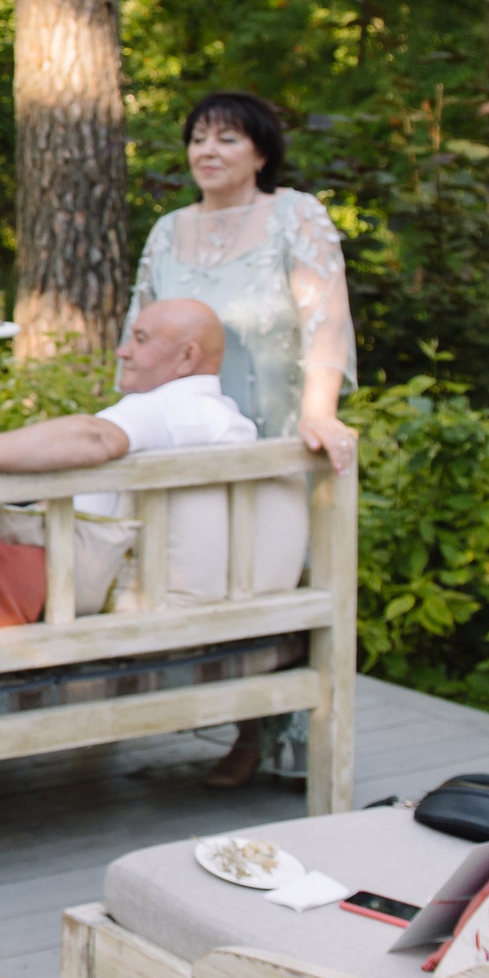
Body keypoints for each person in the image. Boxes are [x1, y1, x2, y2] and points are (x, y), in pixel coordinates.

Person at [128, 90, 358, 785]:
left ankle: (270, 735)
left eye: (227, 138)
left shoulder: (296, 215)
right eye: (198, 137)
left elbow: (327, 320)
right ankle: (204, 714)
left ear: (261, 151)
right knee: (200, 576)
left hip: (277, 433)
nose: (207, 150)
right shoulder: (168, 229)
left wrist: (319, 410)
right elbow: (139, 331)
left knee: (274, 578)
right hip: (187, 440)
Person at [0, 297, 250, 513]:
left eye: (140, 339)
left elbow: (94, 436)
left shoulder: (178, 407)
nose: (123, 351)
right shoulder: (219, 416)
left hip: (76, 576)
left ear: (187, 357)